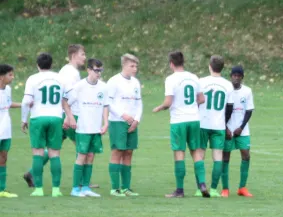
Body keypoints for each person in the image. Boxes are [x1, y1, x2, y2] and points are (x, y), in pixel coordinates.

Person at [23, 44, 89, 187]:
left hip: (62, 114)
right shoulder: (70, 73)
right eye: (82, 54)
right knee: (82, 146)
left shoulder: (68, 71)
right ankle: (82, 182)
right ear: (73, 55)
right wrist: (68, 114)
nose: (85, 57)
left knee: (54, 148)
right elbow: (67, 97)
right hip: (68, 115)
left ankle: (32, 172)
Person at [152, 51, 206, 198]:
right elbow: (201, 99)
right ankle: (202, 184)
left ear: (171, 64)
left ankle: (180, 190)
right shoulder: (194, 77)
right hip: (194, 119)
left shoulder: (171, 79)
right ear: (183, 62)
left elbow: (168, 102)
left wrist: (159, 108)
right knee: (196, 151)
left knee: (179, 153)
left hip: (178, 121)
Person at [21, 53, 70, 197]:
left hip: (38, 117)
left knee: (38, 153)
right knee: (55, 154)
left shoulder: (33, 79)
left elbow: (25, 102)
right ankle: (56, 190)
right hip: (56, 117)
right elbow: (68, 98)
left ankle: (39, 189)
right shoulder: (60, 78)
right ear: (51, 65)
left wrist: (24, 119)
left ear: (37, 65)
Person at [64, 59, 108, 197]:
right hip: (83, 127)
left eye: (101, 70)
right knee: (81, 156)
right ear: (88, 70)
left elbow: (105, 105)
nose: (99, 73)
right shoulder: (79, 86)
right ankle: (75, 188)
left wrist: (106, 123)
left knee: (90, 156)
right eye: (96, 70)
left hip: (95, 128)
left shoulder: (103, 87)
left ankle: (86, 188)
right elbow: (65, 102)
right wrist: (70, 117)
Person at [197, 55, 234, 197]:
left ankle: (199, 188)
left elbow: (196, 102)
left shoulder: (201, 82)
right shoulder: (227, 85)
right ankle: (213, 189)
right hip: (219, 125)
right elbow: (229, 108)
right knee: (218, 156)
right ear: (222, 68)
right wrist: (224, 123)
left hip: (202, 123)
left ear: (209, 66)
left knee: (199, 155)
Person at [106, 54, 143, 197]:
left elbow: (138, 103)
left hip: (132, 123)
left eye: (136, 66)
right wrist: (123, 115)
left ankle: (126, 188)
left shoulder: (135, 82)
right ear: (124, 65)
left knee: (128, 152)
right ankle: (115, 188)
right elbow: (109, 103)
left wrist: (136, 120)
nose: (135, 69)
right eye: (132, 66)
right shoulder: (114, 81)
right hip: (117, 122)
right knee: (117, 152)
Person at [221, 65, 254, 198]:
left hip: (242, 130)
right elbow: (221, 111)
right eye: (234, 75)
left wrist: (241, 127)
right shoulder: (226, 91)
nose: (236, 78)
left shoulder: (247, 91)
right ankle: (225, 189)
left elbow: (249, 110)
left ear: (242, 77)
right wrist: (225, 128)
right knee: (225, 157)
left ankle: (242, 187)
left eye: (238, 76)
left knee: (246, 156)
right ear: (231, 77)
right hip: (227, 129)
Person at [0, 64, 21, 198]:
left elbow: (8, 104)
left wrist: (23, 104)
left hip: (6, 129)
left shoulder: (7, 89)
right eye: (10, 75)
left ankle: (1, 189)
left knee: (3, 158)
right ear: (2, 77)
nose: (13, 77)